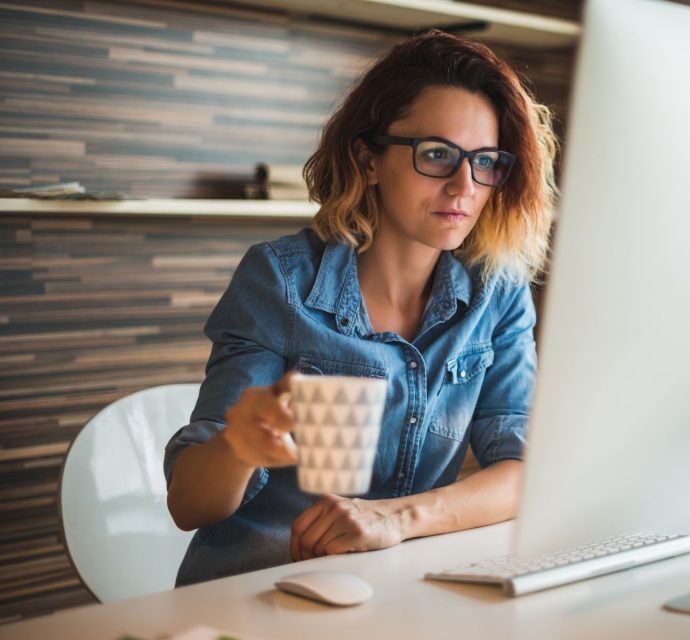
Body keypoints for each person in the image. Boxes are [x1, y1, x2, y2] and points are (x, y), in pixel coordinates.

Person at [163, 30, 557, 586]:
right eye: (437, 155)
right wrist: (237, 446)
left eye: (486, 161)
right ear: (367, 159)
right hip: (257, 591)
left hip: (395, 594)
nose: (464, 186)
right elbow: (189, 506)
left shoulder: (497, 289)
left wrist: (396, 518)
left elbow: (524, 472)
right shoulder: (281, 281)